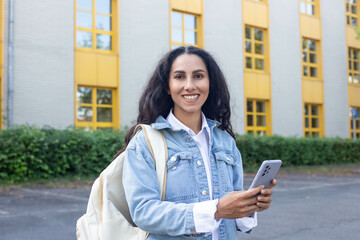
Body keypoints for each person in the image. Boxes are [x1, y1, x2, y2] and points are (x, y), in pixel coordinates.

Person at [121, 46, 276, 239]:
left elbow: (233, 215)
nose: (189, 85)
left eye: (198, 76)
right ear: (168, 86)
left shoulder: (226, 142)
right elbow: (143, 213)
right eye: (179, 77)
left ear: (210, 83)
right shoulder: (145, 142)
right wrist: (216, 209)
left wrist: (249, 206)